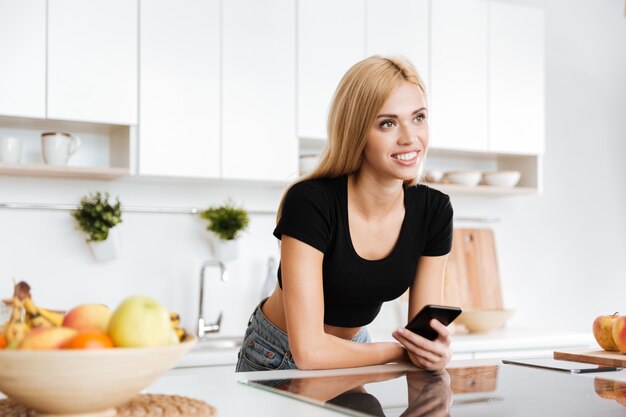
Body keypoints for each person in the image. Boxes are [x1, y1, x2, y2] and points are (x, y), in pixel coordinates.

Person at [236, 55, 454, 372]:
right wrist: (398, 351)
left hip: (356, 352)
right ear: (356, 131)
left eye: (418, 118)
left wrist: (433, 351)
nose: (410, 137)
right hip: (277, 356)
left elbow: (423, 335)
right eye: (388, 123)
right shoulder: (311, 202)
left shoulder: (434, 210)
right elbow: (309, 352)